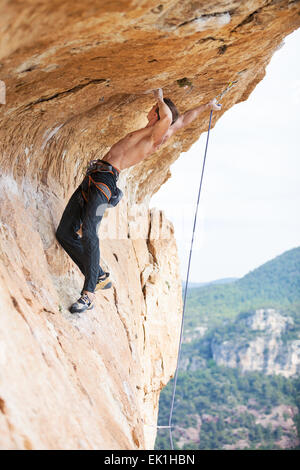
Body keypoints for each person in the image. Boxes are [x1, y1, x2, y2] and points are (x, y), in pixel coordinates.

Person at [56, 89, 221, 313]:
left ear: (157, 114)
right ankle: (99, 274)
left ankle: (88, 294)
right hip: (94, 177)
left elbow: (171, 118)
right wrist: (207, 105)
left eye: (153, 110)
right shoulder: (152, 130)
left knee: (90, 230)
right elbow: (182, 121)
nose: (150, 111)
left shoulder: (156, 135)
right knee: (65, 233)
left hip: (105, 181)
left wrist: (159, 99)